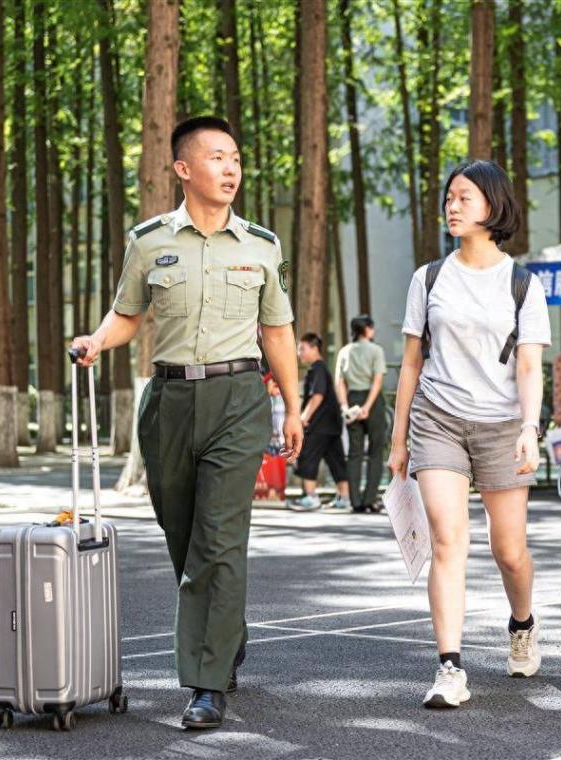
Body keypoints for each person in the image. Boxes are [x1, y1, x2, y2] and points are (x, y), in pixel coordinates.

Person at [70, 116, 302, 729]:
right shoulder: (149, 241)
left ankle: (205, 682)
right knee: (183, 537)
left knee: (218, 539)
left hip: (238, 398)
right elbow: (127, 314)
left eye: (236, 158)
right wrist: (96, 341)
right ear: (183, 169)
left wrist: (293, 406)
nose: (231, 169)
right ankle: (224, 634)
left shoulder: (261, 246)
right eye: (217, 157)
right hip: (168, 401)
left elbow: (278, 331)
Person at [388, 160, 550, 709]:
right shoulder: (428, 278)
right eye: (449, 197)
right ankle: (450, 668)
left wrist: (530, 427)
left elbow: (528, 365)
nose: (452, 207)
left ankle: (522, 624)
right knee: (448, 539)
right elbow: (411, 363)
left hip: (502, 425)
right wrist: (398, 439)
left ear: (493, 205)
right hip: (438, 419)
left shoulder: (523, 284)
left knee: (509, 550)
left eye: (464, 197)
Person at [335, 314, 389, 512]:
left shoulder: (344, 351)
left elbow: (339, 381)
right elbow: (377, 380)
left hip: (352, 400)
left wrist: (344, 407)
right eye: (371, 327)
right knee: (376, 452)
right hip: (372, 402)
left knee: (354, 453)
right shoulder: (376, 350)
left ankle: (355, 501)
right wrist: (367, 406)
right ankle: (369, 500)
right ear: (366, 329)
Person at [292, 333, 351, 511]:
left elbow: (317, 395)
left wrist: (304, 418)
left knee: (308, 456)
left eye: (302, 349)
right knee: (336, 460)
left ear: (314, 348)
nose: (299, 353)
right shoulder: (322, 368)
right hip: (332, 425)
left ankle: (311, 497)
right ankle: (344, 498)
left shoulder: (317, 369)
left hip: (319, 425)